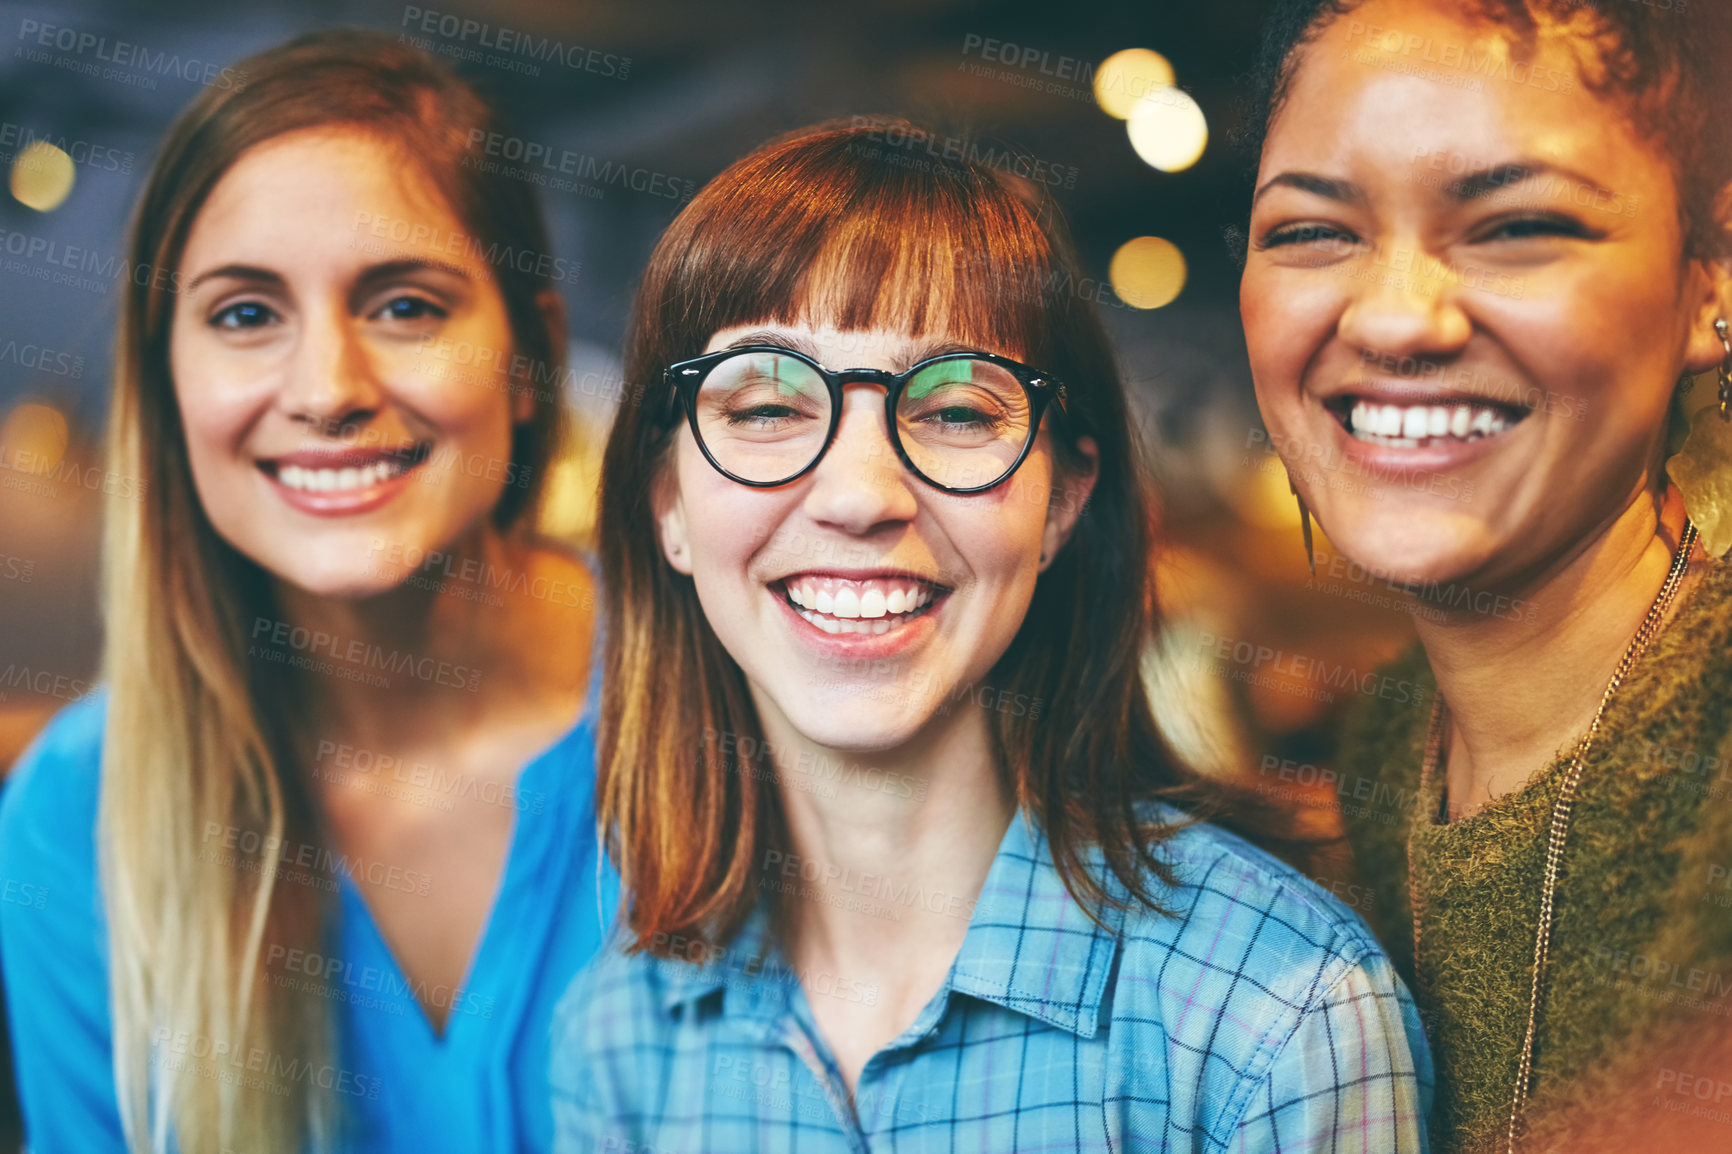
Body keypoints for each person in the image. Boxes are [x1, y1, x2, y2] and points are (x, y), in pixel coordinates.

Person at [549, 117, 1433, 1152]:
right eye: (767, 404)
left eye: (958, 412)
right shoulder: (621, 1036)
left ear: (1062, 500)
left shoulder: (1277, 1014)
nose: (859, 494)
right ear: (667, 503)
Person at [0, 30, 613, 1154]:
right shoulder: (73, 814)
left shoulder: (739, 705)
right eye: (244, 314)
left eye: (406, 306)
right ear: (166, 384)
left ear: (531, 362)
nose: (327, 388)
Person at [1238, 1, 1732, 1150]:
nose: (1398, 318)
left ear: (1708, 282)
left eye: (1516, 226)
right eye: (1312, 232)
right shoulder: (1379, 749)